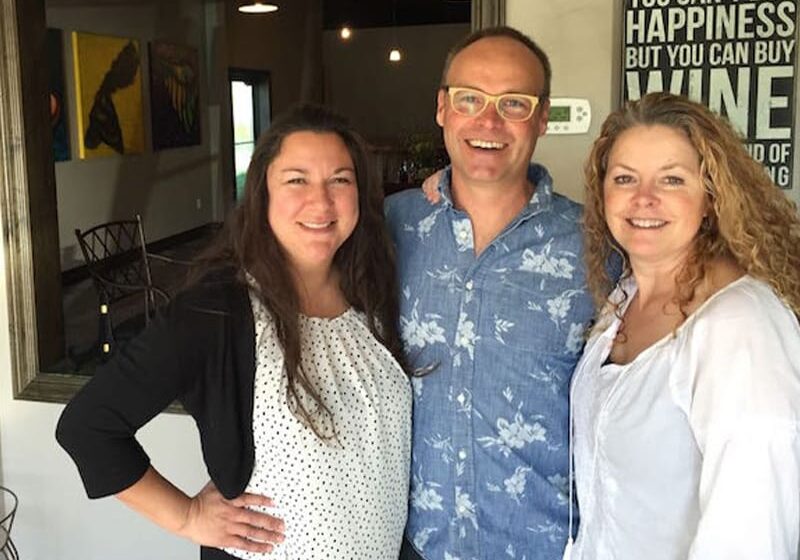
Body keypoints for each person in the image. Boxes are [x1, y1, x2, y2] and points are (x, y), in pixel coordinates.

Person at [56, 104, 412, 560]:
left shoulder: (374, 296)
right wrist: (186, 517)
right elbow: (88, 426)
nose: (321, 202)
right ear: (262, 192)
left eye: (340, 180)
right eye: (296, 180)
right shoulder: (219, 310)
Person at [385, 26, 594, 560]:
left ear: (542, 117)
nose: (488, 120)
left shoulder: (598, 247)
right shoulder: (391, 228)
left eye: (514, 103)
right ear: (442, 108)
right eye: (470, 98)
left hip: (547, 546)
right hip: (414, 544)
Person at [572, 91, 800, 559]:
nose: (644, 198)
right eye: (624, 178)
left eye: (672, 179)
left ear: (711, 198)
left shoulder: (740, 325)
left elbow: (752, 535)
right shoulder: (625, 297)